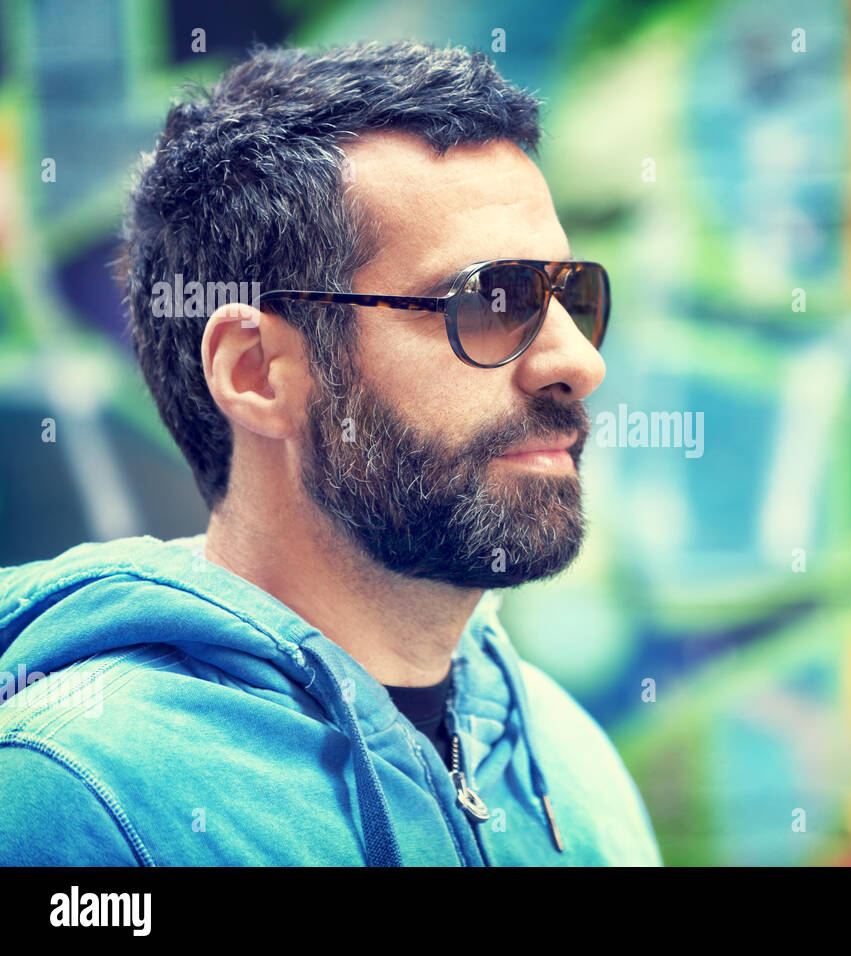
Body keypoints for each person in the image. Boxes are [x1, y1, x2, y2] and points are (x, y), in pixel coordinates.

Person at [0, 40, 661, 866]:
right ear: (256, 372)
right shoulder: (80, 801)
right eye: (492, 300)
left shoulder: (563, 755)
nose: (578, 362)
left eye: (574, 296)